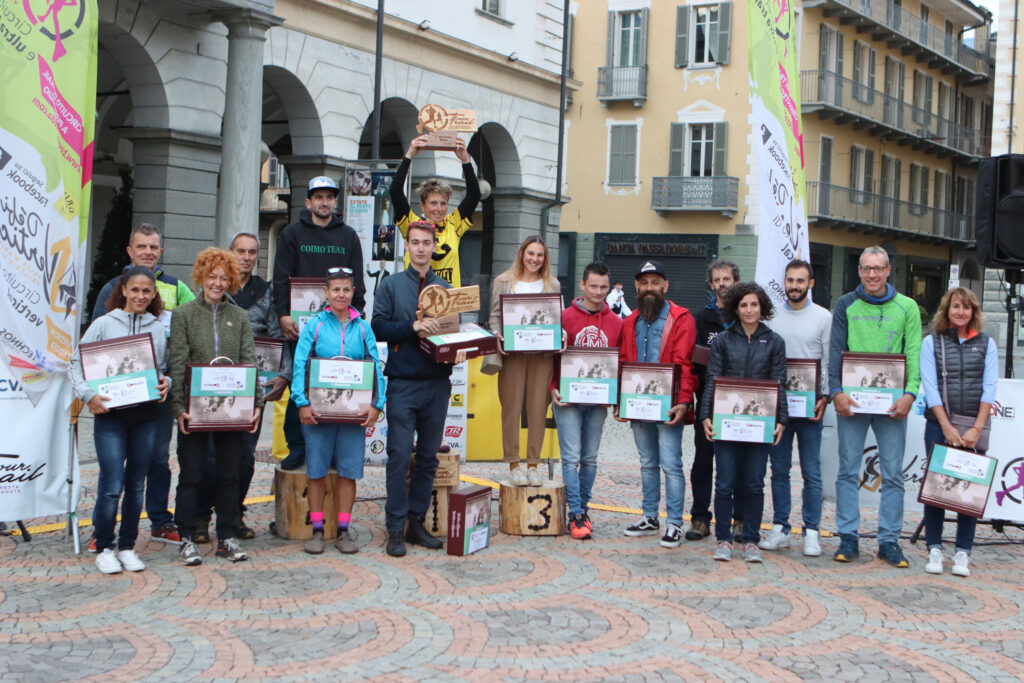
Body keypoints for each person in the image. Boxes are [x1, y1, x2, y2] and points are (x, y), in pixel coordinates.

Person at [90, 224, 194, 546]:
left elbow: (188, 330)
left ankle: (160, 520)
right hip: (116, 398)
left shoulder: (176, 288)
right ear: (130, 251)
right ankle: (101, 530)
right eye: (142, 246)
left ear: (160, 251)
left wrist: (169, 379)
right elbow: (93, 348)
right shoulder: (112, 287)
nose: (148, 251)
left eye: (153, 247)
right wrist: (92, 392)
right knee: (113, 468)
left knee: (158, 459)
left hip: (154, 397)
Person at [371, 221, 468, 557]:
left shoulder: (445, 288)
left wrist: (461, 347)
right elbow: (378, 327)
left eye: (427, 242)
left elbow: (453, 333)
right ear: (407, 246)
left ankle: (416, 523)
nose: (421, 248)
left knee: (427, 458)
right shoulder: (392, 285)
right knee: (398, 456)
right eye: (415, 242)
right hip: (402, 383)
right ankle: (395, 527)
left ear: (434, 245)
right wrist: (411, 326)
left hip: (437, 383)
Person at [70, 267, 171, 574]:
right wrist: (89, 396)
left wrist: (166, 383)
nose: (140, 296)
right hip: (111, 417)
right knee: (111, 485)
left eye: (147, 291)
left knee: (136, 485)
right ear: (123, 290)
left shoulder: (157, 328)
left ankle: (127, 546)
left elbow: (162, 368)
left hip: (146, 416)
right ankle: (104, 547)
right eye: (135, 290)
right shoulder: (103, 324)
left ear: (154, 295)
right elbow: (76, 364)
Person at [192, 232, 290, 543]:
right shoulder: (215, 288)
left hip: (252, 386)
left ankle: (232, 515)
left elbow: (277, 334)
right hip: (214, 389)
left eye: (251, 252)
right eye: (240, 251)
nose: (246, 257)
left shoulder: (266, 293)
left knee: (245, 458)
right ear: (229, 253)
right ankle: (200, 516)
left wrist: (283, 375)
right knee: (209, 457)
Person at [168, 248, 264, 565]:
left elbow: (250, 361)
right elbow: (178, 362)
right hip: (195, 411)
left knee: (229, 474)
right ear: (201, 277)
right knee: (192, 474)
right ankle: (186, 536)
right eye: (212, 276)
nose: (218, 283)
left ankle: (226, 535)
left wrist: (257, 404)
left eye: (224, 278)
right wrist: (178, 407)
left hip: (231, 412)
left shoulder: (239, 318)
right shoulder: (183, 315)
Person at [829, 246, 922, 567]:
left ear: (888, 271)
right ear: (859, 271)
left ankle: (889, 541)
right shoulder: (845, 305)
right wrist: (836, 391)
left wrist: (910, 394)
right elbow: (836, 351)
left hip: (893, 402)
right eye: (866, 268)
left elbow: (913, 353)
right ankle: (848, 537)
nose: (872, 274)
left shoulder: (907, 307)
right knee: (847, 471)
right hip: (852, 402)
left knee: (893, 474)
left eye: (878, 268)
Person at [273, 176, 366, 472]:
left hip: (339, 326)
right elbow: (280, 278)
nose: (324, 202)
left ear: (336, 202)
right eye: (319, 197)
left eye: (329, 197)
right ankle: (298, 446)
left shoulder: (348, 236)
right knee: (299, 386)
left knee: (337, 382)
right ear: (308, 202)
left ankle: (335, 450)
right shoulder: (291, 234)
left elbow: (358, 285)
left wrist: (354, 317)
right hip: (300, 328)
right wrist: (283, 314)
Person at [292, 267, 385, 555]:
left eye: (346, 289)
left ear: (353, 292)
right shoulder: (315, 326)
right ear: (326, 292)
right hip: (318, 413)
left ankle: (344, 531)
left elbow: (375, 367)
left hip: (353, 414)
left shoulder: (363, 327)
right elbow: (300, 364)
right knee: (317, 472)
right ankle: (318, 531)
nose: (341, 294)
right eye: (336, 290)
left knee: (348, 472)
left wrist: (376, 404)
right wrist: (301, 401)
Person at [701, 282, 788, 563]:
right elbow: (711, 379)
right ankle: (724, 539)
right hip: (726, 423)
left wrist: (780, 420)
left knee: (753, 483)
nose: (749, 310)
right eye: (744, 305)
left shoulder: (774, 342)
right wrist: (705, 415)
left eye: (754, 304)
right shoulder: (723, 341)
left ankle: (750, 539)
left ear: (762, 307)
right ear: (736, 308)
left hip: (760, 425)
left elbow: (779, 383)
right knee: (724, 482)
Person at [617, 260, 697, 548]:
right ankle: (649, 517)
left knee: (671, 464)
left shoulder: (681, 318)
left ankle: (674, 522)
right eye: (644, 283)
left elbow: (685, 364)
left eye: (655, 282)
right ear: (637, 287)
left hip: (668, 406)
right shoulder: (630, 322)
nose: (650, 288)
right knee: (647, 463)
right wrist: (620, 401)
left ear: (665, 286)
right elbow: (624, 362)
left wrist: (684, 401)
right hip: (638, 404)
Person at [920, 287, 997, 578]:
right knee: (936, 489)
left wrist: (977, 428)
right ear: (947, 310)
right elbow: (930, 387)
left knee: (969, 492)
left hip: (972, 428)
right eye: (955, 306)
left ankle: (963, 551)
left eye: (966, 307)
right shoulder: (932, 342)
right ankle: (935, 547)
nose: (960, 312)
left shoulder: (987, 344)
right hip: (940, 425)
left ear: (973, 311)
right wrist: (946, 426)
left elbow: (989, 387)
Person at [762, 259, 832, 556]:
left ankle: (812, 531)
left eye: (800, 281)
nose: (794, 286)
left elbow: (828, 360)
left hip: (810, 408)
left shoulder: (823, 317)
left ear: (810, 284)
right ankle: (780, 527)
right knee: (778, 470)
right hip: (779, 407)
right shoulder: (772, 316)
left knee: (811, 471)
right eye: (790, 280)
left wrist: (825, 397)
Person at [550, 262, 623, 539]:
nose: (599, 292)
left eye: (604, 287)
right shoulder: (564, 317)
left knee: (589, 459)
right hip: (567, 398)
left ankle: (585, 508)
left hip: (597, 401)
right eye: (593, 286)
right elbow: (550, 357)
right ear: (582, 285)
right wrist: (552, 387)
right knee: (570, 458)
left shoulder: (617, 323)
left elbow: (621, 363)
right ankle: (576, 515)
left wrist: (618, 397)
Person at [488, 236, 562, 487]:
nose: (535, 259)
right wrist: (498, 333)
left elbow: (555, 317)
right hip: (513, 355)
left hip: (541, 356)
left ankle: (533, 465)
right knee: (510, 409)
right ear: (522, 254)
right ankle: (513, 464)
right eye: (531, 253)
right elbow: (495, 316)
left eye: (540, 255)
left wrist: (559, 332)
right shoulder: (504, 281)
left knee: (537, 411)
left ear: (545, 258)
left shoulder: (552, 283)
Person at [687, 260, 741, 541]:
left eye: (727, 279)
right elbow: (693, 360)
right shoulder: (701, 318)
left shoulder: (746, 314)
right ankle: (699, 517)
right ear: (711, 284)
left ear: (736, 281)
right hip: (707, 401)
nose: (722, 284)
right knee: (703, 461)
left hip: (740, 403)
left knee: (738, 463)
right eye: (717, 279)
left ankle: (739, 519)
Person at [389, 135, 481, 287]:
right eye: (433, 203)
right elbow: (395, 192)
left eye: (443, 203)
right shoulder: (412, 224)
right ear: (422, 206)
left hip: (449, 302)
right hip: (416, 299)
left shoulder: (454, 224)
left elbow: (474, 196)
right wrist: (409, 155)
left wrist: (465, 161)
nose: (439, 209)